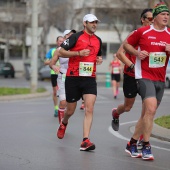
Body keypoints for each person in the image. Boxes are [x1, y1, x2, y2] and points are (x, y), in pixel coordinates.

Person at [123, 2, 170, 160]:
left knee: (148, 114)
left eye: (168, 14)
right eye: (163, 14)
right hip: (144, 76)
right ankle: (146, 146)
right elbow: (126, 45)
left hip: (160, 79)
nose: (166, 17)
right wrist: (137, 52)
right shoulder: (143, 32)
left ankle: (132, 142)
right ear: (155, 17)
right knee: (150, 109)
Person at [56, 13, 103, 151]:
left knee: (89, 108)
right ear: (84, 23)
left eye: (96, 22)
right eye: (91, 22)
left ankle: (85, 140)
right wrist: (78, 53)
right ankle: (64, 123)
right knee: (70, 110)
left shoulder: (98, 40)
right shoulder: (75, 37)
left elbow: (98, 56)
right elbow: (61, 53)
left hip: (89, 78)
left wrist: (98, 60)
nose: (94, 24)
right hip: (73, 77)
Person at [111, 8, 153, 149]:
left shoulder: (156, 37)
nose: (153, 22)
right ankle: (116, 113)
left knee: (148, 108)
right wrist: (131, 65)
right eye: (150, 19)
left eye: (154, 19)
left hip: (147, 76)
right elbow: (119, 53)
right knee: (128, 107)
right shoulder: (135, 34)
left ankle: (142, 138)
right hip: (131, 75)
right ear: (143, 20)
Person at [49, 29, 76, 124]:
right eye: (69, 35)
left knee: (70, 106)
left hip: (74, 77)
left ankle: (65, 118)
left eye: (73, 35)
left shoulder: (77, 48)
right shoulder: (59, 50)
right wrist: (53, 66)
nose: (72, 36)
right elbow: (51, 63)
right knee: (63, 102)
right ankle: (62, 125)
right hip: (63, 77)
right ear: (65, 38)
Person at [44, 36, 64, 117]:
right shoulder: (52, 51)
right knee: (55, 92)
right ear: (57, 42)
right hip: (54, 74)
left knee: (63, 92)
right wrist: (53, 62)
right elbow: (45, 62)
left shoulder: (66, 51)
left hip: (63, 74)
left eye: (62, 41)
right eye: (59, 41)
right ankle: (56, 108)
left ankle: (62, 107)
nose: (61, 42)